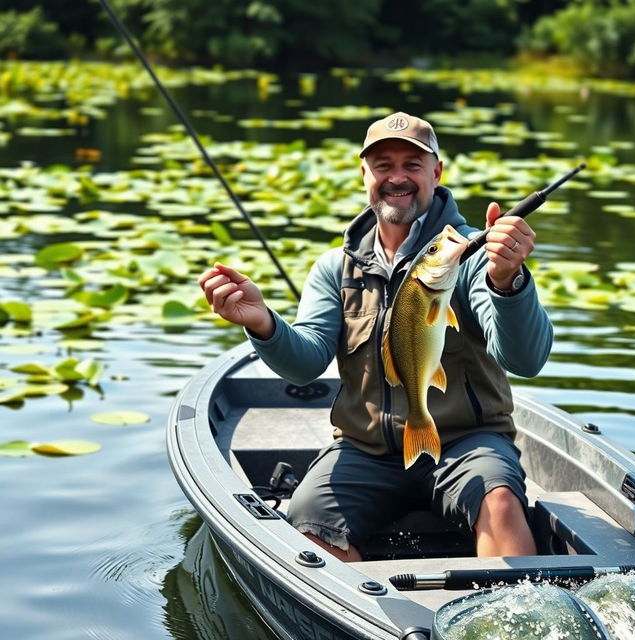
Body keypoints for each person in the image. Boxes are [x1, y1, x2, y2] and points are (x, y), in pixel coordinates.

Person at [199, 111, 553, 562]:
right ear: (364, 173)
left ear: (436, 172)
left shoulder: (472, 255)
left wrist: (508, 283)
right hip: (364, 449)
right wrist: (261, 322)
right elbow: (306, 361)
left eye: (412, 164)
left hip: (469, 442)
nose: (397, 177)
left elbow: (525, 360)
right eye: (383, 165)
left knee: (500, 504)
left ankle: (513, 625)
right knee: (308, 523)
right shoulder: (335, 267)